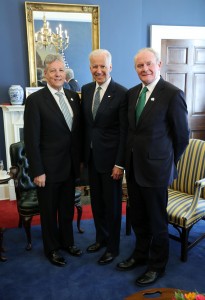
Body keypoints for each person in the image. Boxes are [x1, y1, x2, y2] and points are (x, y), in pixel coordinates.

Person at [116, 48, 189, 286]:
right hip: (134, 168)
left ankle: (157, 266)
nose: (144, 69)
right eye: (139, 66)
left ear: (159, 64)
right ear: (135, 68)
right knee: (137, 216)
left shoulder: (172, 94)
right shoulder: (133, 93)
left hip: (156, 172)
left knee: (157, 221)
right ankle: (140, 255)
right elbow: (130, 130)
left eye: (148, 64)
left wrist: (167, 162)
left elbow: (181, 137)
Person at [24, 54, 83, 267]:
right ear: (45, 75)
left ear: (65, 74)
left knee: (66, 209)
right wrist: (37, 170)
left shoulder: (73, 97)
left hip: (69, 167)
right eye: (53, 71)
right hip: (47, 170)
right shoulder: (35, 101)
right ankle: (52, 249)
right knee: (49, 212)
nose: (58, 74)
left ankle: (68, 242)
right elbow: (31, 140)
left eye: (61, 70)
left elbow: (75, 133)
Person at [81, 49, 128, 265]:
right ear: (90, 68)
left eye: (102, 66)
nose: (98, 71)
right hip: (92, 159)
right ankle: (101, 239)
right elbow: (87, 125)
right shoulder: (87, 89)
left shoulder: (122, 93)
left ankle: (113, 247)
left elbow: (124, 133)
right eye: (94, 66)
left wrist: (120, 163)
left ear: (110, 67)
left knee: (112, 207)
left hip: (112, 164)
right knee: (97, 204)